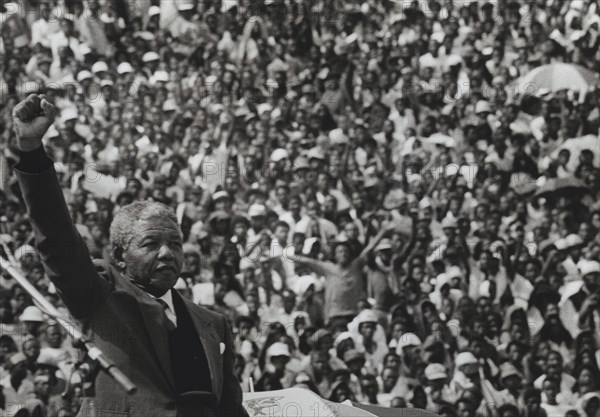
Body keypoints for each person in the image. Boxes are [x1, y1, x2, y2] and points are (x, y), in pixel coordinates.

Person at [11, 94, 247, 417]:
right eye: (151, 244)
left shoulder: (214, 324)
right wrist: (31, 152)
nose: (167, 253)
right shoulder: (99, 294)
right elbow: (56, 237)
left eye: (175, 244)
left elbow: (231, 411)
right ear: (120, 255)